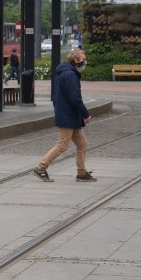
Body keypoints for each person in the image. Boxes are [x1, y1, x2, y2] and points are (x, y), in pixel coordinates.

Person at [33, 46, 96, 182]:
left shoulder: (65, 72)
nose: (85, 62)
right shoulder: (70, 75)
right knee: (62, 144)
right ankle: (41, 168)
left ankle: (81, 173)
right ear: (76, 60)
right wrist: (86, 114)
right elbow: (75, 99)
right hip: (68, 115)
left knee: (82, 144)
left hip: (68, 114)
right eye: (83, 59)